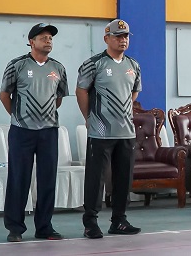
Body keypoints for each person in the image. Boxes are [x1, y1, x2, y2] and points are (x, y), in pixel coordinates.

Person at [0, 23, 68, 243]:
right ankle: (15, 228)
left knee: (47, 180)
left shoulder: (58, 68)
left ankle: (44, 227)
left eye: (50, 38)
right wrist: (19, 117)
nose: (48, 41)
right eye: (43, 37)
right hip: (22, 132)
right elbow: (4, 95)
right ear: (31, 42)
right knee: (19, 178)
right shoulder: (17, 65)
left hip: (49, 132)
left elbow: (59, 98)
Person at [78, 19, 142, 239]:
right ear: (107, 39)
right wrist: (89, 117)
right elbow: (81, 91)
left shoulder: (133, 65)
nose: (123, 40)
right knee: (96, 178)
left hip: (126, 132)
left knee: (123, 178)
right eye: (118, 36)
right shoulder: (93, 63)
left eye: (125, 36)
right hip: (101, 131)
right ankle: (90, 222)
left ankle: (119, 220)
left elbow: (134, 92)